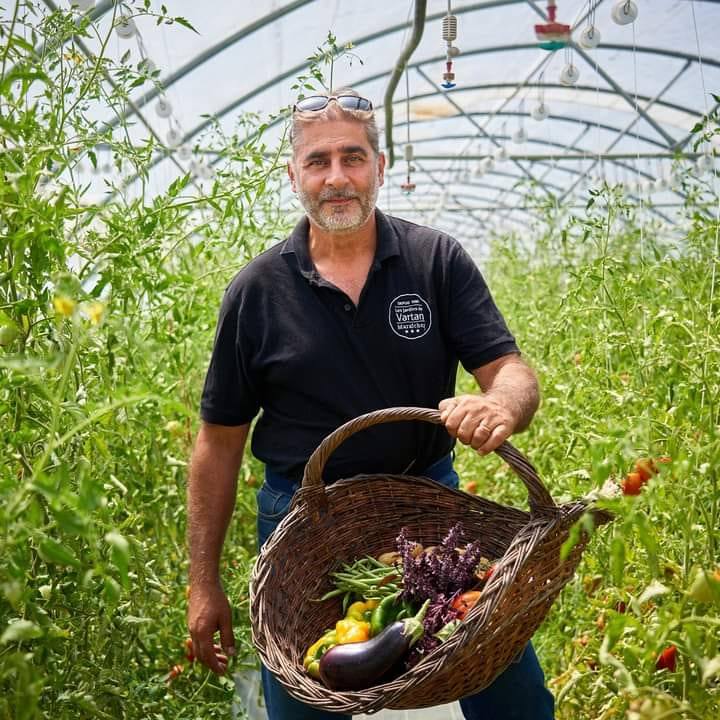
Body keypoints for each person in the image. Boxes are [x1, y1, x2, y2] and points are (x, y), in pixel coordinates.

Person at [187, 88, 554, 720]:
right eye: (318, 161)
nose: (337, 178)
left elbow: (511, 370)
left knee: (510, 692)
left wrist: (501, 405)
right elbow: (217, 444)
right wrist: (203, 584)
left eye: (353, 158)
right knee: (307, 697)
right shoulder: (257, 292)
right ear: (294, 175)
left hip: (428, 511)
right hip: (305, 520)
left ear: (380, 167)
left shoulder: (433, 261)